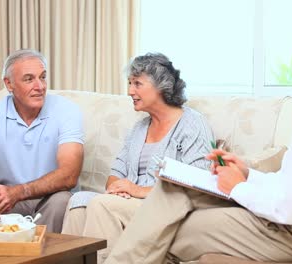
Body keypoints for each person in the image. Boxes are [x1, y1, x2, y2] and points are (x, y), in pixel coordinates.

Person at [105, 12, 292, 263]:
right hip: (287, 225)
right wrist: (246, 174)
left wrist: (237, 188)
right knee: (174, 187)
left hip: (287, 234)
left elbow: (290, 208)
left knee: (160, 231)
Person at [61, 53, 214, 263]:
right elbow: (116, 174)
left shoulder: (192, 124)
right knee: (79, 202)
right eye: (130, 83)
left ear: (161, 86)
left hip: (164, 205)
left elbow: (198, 182)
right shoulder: (139, 128)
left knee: (102, 205)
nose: (130, 91)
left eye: (137, 84)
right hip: (130, 202)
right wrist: (119, 190)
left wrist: (137, 191)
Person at [0, 49, 84, 233]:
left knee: (62, 200)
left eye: (42, 77)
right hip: (8, 203)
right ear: (9, 84)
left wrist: (18, 192)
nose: (40, 86)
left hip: (49, 200)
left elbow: (69, 175)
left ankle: (40, 259)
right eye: (29, 79)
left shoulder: (67, 111)